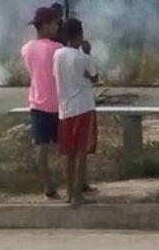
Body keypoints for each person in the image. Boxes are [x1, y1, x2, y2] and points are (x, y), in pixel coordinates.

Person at [53, 18, 98, 207]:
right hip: (83, 107)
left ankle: (69, 192)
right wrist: (88, 54)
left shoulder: (57, 54)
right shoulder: (81, 57)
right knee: (81, 152)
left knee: (69, 153)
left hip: (64, 109)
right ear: (80, 35)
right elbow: (95, 77)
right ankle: (78, 194)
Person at [21, 7, 64, 199]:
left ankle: (48, 186)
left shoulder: (26, 48)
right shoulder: (58, 49)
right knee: (69, 147)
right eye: (55, 23)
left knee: (41, 147)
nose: (57, 26)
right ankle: (75, 182)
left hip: (36, 103)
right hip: (58, 103)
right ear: (46, 25)